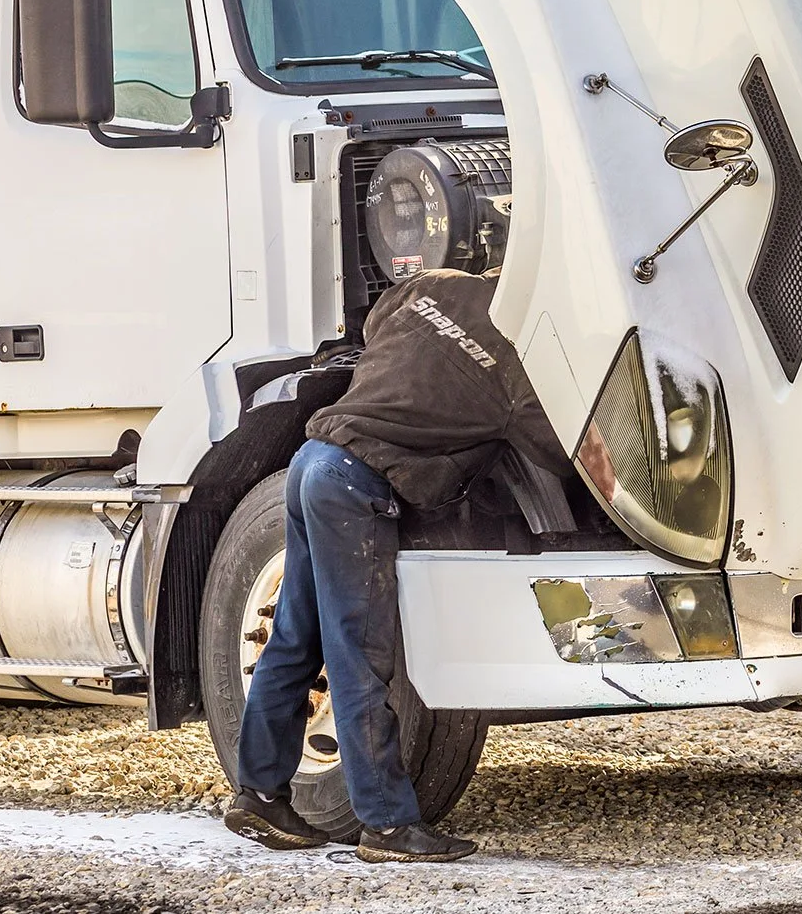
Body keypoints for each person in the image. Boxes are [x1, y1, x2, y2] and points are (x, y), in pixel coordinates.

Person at [223, 264, 573, 863]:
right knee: (359, 656)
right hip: (355, 487)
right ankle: (386, 825)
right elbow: (570, 455)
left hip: (312, 461)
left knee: (293, 638)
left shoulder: (432, 287)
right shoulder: (519, 367)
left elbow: (375, 325)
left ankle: (258, 795)